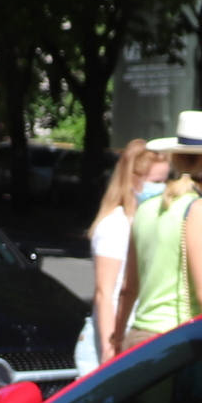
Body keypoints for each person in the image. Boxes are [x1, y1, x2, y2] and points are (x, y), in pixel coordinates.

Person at [116, 111, 202, 352]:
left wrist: (117, 337)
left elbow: (129, 288)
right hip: (174, 342)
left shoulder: (147, 207)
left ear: (177, 158)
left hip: (136, 340)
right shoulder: (198, 208)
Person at [77, 139, 168, 372]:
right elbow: (105, 293)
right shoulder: (115, 225)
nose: (163, 189)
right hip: (108, 341)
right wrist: (110, 349)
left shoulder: (150, 221)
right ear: (133, 181)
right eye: (156, 182)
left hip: (136, 336)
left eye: (165, 181)